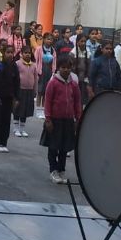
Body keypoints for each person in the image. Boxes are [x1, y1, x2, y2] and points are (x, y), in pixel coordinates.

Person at [41, 56, 81, 185]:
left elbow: (77, 102)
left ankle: (61, 170)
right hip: (55, 120)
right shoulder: (53, 83)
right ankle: (53, 170)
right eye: (63, 67)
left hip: (68, 120)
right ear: (58, 68)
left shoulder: (74, 84)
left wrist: (78, 118)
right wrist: (48, 119)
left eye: (68, 68)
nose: (66, 70)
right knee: (53, 147)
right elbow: (47, 101)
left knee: (65, 148)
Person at [0, 45, 20, 153]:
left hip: (9, 97)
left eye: (12, 52)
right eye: (8, 52)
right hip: (0, 97)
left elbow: (17, 83)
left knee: (6, 120)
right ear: (3, 53)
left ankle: (4, 142)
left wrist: (16, 98)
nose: (10, 54)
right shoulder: (0, 66)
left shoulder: (14, 66)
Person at [14, 46, 38, 138]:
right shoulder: (17, 64)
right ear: (21, 54)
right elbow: (15, 77)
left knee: (25, 110)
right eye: (25, 53)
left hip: (29, 90)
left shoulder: (33, 65)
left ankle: (22, 128)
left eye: (29, 53)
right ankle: (16, 128)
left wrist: (35, 90)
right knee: (18, 109)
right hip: (20, 89)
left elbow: (36, 79)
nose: (27, 54)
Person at [34, 33, 57, 119]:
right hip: (41, 71)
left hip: (49, 72)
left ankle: (43, 111)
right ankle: (38, 110)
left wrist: (53, 72)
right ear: (44, 39)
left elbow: (54, 62)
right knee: (40, 92)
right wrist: (36, 72)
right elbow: (36, 60)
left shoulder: (53, 50)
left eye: (51, 39)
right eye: (48, 39)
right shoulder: (39, 49)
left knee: (46, 92)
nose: (49, 41)